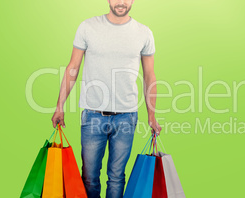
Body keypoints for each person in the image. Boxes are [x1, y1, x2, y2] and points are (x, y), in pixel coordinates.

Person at [51, 0, 162, 197]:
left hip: (126, 116)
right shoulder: (88, 27)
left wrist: (151, 115)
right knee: (89, 178)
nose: (121, 2)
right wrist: (60, 106)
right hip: (93, 115)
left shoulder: (144, 32)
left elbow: (149, 75)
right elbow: (72, 68)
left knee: (117, 177)